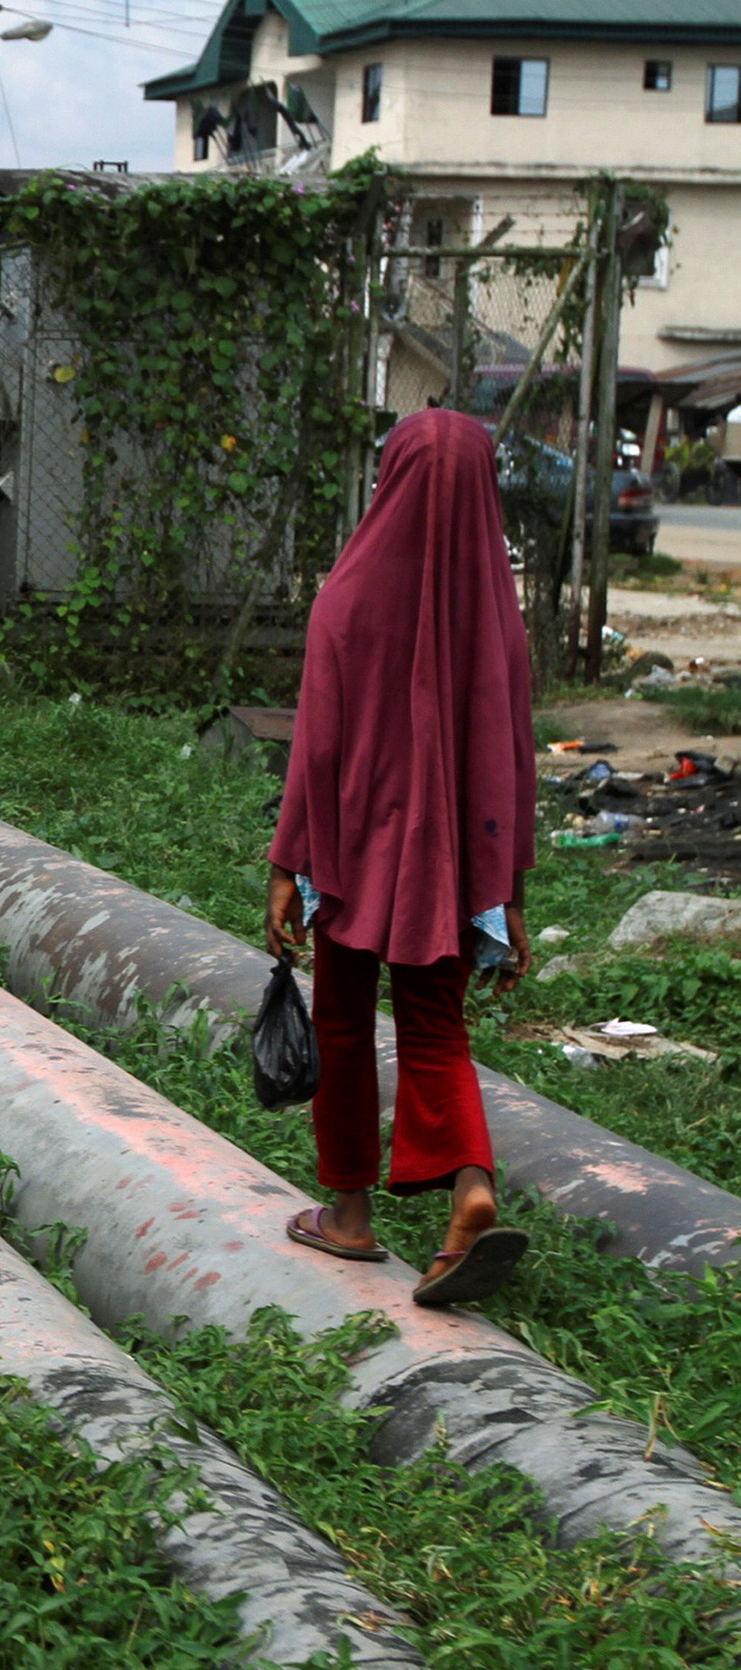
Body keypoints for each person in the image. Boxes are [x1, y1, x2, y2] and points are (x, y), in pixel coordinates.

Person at [266, 406, 535, 1307]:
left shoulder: (345, 601)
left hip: (352, 859)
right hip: (452, 874)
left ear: (392, 479)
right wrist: (510, 894)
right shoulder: (496, 622)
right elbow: (513, 770)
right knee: (436, 1027)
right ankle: (472, 1186)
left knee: (342, 1021)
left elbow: (316, 752)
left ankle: (346, 1216)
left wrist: (287, 865)